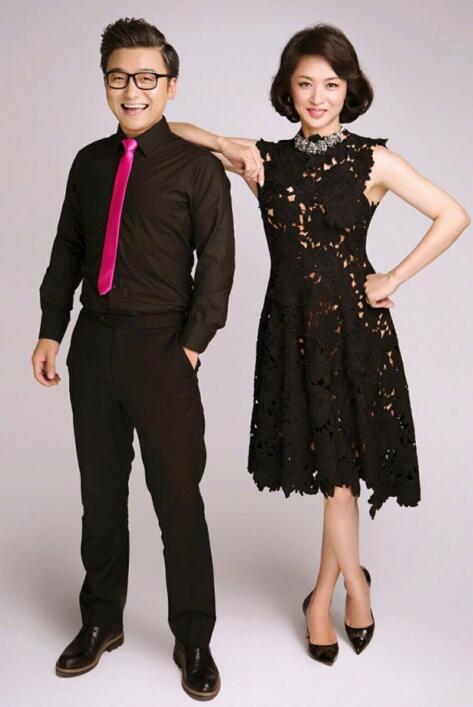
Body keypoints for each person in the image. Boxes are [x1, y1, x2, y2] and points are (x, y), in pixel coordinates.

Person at [169, 23, 470, 665]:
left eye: (331, 85)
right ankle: (344, 588)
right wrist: (226, 143)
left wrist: (393, 277)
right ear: (287, 88)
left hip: (355, 335)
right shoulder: (266, 161)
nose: (317, 97)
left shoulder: (372, 160)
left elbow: (454, 215)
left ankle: (337, 594)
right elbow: (170, 130)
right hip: (290, 332)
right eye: (304, 84)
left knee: (340, 477)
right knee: (336, 474)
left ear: (348, 89)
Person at [31, 17, 234, 700]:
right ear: (106, 83)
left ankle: (194, 636)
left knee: (177, 498)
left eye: (147, 77)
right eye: (119, 76)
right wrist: (51, 329)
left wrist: (191, 347)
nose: (132, 89)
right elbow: (67, 248)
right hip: (94, 344)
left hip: (162, 346)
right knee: (99, 493)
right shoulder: (89, 163)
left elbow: (217, 267)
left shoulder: (198, 169)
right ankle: (101, 621)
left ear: (171, 86)